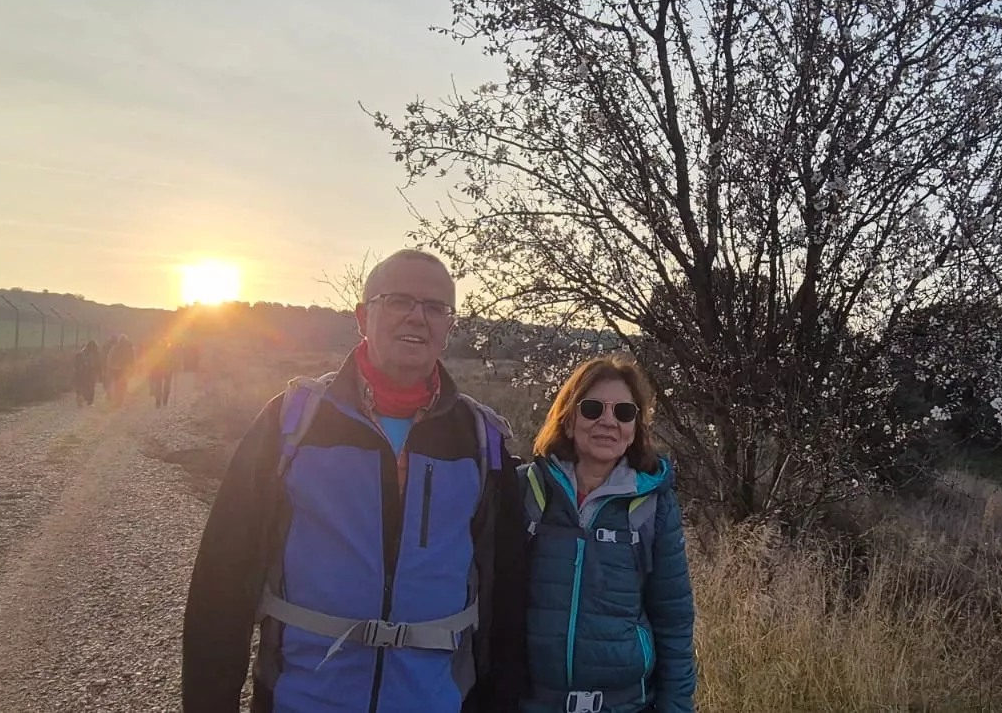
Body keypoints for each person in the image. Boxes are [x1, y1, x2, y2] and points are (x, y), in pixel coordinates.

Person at [181, 249, 529, 713]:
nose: (417, 316)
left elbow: (503, 598)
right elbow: (221, 583)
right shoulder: (291, 422)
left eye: (435, 307)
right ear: (363, 317)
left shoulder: (481, 441)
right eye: (399, 300)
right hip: (302, 701)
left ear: (448, 328)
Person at [518, 354, 696, 713]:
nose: (608, 422)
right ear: (568, 419)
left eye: (624, 413)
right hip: (533, 702)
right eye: (593, 408)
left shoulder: (653, 506)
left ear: (635, 429)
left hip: (625, 705)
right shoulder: (524, 490)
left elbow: (674, 620)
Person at [148, 338, 176, 408]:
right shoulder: (169, 351)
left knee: (158, 385)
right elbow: (173, 360)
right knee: (166, 385)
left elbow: (153, 360)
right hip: (167, 370)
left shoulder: (157, 351)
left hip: (159, 370)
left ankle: (158, 400)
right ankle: (165, 400)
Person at [73, 340, 101, 406]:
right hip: (87, 373)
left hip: (83, 373)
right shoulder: (92, 354)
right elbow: (98, 364)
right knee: (89, 386)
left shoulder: (81, 353)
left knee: (83, 386)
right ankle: (87, 400)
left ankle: (84, 399)